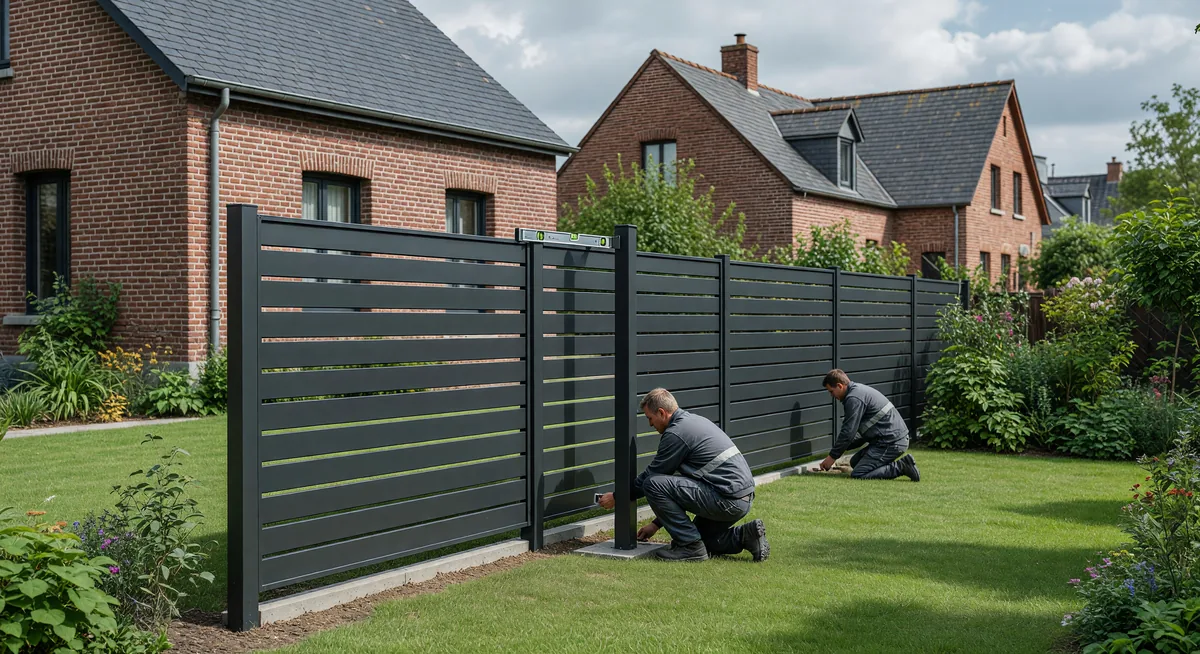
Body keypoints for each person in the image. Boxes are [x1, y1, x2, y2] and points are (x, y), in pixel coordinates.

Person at [597, 388, 769, 563]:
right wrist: (656, 524)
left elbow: (654, 476)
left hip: (727, 499)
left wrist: (617, 496)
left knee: (652, 483)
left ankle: (690, 548)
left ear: (662, 413)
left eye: (650, 418)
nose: (650, 424)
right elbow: (686, 487)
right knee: (705, 541)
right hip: (740, 499)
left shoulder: (676, 434)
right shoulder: (695, 421)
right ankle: (747, 535)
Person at [819, 369, 920, 481]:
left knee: (859, 474)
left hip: (891, 442)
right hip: (889, 439)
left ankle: (902, 466)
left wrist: (832, 457)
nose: (831, 395)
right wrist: (841, 448)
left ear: (840, 385)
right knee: (855, 462)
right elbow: (861, 433)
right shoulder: (858, 391)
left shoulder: (854, 399)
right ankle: (884, 465)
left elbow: (848, 432)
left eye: (831, 391)